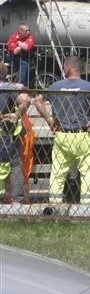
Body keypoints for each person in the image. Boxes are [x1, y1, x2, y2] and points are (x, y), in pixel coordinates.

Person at [33, 56, 90, 207]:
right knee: (87, 172)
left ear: (68, 68)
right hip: (83, 135)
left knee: (58, 173)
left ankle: (55, 206)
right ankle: (86, 207)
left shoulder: (55, 86)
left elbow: (37, 100)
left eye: (63, 67)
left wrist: (49, 119)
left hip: (62, 134)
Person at [0, 64, 33, 204]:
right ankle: (18, 200)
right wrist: (16, 115)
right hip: (4, 132)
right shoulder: (8, 88)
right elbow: (25, 101)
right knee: (14, 164)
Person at [6, 22, 35, 87]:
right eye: (26, 30)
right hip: (13, 57)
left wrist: (19, 44)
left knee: (26, 64)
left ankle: (23, 85)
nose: (28, 32)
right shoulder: (13, 37)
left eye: (29, 30)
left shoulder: (30, 36)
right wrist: (22, 45)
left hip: (25, 56)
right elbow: (14, 51)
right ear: (20, 31)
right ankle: (20, 84)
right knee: (24, 63)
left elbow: (27, 47)